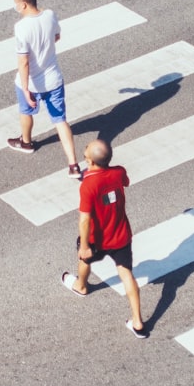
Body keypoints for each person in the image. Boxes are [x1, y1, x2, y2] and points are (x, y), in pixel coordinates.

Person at [61, 139, 146, 339]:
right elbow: (125, 182)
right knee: (127, 275)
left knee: (84, 259)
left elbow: (84, 220)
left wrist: (84, 245)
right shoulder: (118, 172)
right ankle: (138, 322)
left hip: (97, 239)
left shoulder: (89, 184)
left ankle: (81, 285)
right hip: (121, 234)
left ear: (90, 161)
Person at [6, 0, 80, 179]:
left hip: (32, 82)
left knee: (26, 112)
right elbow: (56, 37)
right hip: (54, 79)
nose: (15, 6)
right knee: (60, 120)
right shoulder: (50, 15)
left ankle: (26, 142)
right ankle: (73, 165)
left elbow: (23, 62)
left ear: (23, 4)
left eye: (15, 3)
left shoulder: (21, 27)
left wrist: (25, 88)